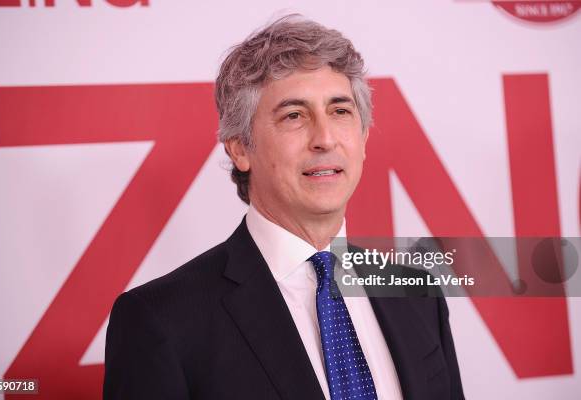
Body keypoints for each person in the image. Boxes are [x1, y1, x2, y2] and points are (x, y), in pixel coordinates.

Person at [103, 15, 465, 400]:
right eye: (294, 115)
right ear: (240, 147)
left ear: (362, 138)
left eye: (340, 111)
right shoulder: (161, 320)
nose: (325, 139)